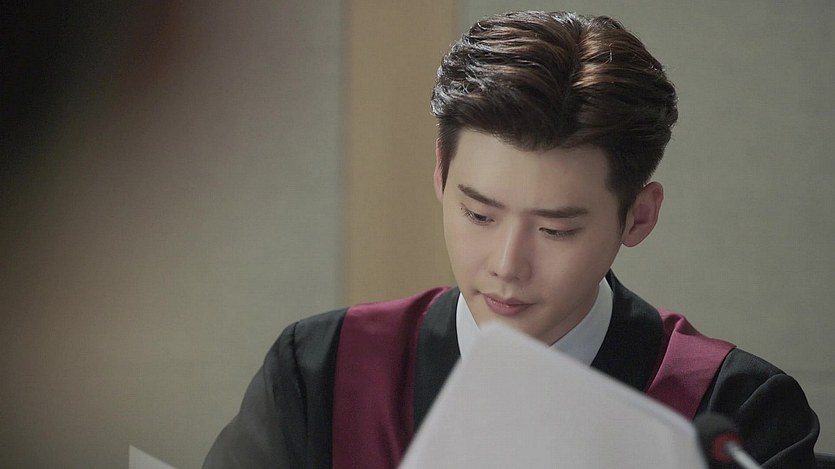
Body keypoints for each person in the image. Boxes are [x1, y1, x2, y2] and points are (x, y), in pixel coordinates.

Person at [204, 10, 819, 469]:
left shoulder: (735, 411)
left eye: (556, 229)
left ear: (638, 217)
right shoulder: (323, 370)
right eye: (479, 215)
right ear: (441, 176)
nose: (506, 265)